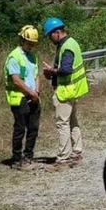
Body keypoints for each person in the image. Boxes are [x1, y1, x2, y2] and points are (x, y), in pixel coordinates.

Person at [40, 17, 87, 166]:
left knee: (62, 123)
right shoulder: (72, 43)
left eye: (50, 35)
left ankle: (64, 156)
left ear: (57, 32)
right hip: (73, 90)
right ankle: (77, 152)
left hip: (66, 91)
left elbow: (66, 70)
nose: (49, 39)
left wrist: (51, 71)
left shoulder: (66, 47)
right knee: (73, 121)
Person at [5, 25, 42, 169]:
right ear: (22, 40)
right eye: (29, 42)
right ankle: (16, 159)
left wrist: (36, 91)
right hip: (19, 97)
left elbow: (36, 75)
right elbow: (16, 80)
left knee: (33, 128)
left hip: (33, 96)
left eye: (33, 43)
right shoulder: (14, 56)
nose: (31, 45)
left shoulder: (33, 57)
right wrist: (30, 92)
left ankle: (28, 157)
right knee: (20, 128)